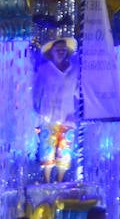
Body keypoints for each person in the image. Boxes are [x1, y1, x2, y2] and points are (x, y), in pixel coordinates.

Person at [33, 37, 78, 182]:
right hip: (48, 116)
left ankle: (60, 182)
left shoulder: (74, 70)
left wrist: (76, 113)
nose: (61, 52)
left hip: (68, 116)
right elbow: (36, 93)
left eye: (63, 50)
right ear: (51, 52)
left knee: (65, 152)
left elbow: (78, 93)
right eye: (58, 50)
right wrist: (37, 113)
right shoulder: (44, 70)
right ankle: (46, 182)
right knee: (47, 150)